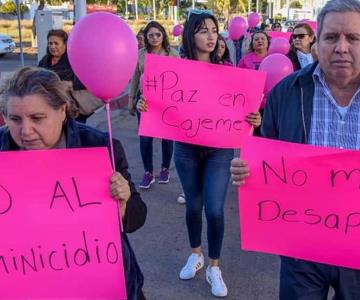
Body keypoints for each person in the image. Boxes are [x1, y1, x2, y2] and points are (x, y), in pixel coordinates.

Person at [230, 0, 360, 299]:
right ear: (317, 43)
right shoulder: (286, 93)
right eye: (331, 37)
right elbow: (266, 158)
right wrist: (246, 170)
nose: (341, 47)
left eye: (353, 37)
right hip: (302, 248)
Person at [137, 11, 261, 297]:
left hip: (219, 149)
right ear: (191, 35)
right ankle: (196, 254)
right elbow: (156, 102)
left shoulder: (229, 72)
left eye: (214, 30)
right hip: (186, 149)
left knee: (215, 209)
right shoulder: (174, 71)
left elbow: (245, 111)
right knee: (193, 206)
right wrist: (145, 104)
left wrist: (255, 119)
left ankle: (214, 266)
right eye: (203, 30)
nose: (211, 35)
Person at [0, 67, 147, 300]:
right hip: (27, 282)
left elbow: (137, 218)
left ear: (61, 110)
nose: (25, 131)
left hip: (97, 283)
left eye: (37, 118)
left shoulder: (99, 146)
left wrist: (123, 204)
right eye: (15, 119)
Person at [129, 21, 179, 189]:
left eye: (158, 34)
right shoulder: (140, 54)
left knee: (167, 138)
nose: (154, 38)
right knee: (145, 139)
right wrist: (131, 101)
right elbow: (135, 78)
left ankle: (165, 168)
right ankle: (148, 172)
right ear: (146, 38)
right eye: (151, 35)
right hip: (145, 103)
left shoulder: (173, 54)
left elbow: (181, 78)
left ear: (163, 35)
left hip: (167, 104)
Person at [38, 29, 102, 123]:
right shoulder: (45, 60)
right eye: (50, 43)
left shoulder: (75, 59)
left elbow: (91, 78)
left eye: (56, 43)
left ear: (65, 44)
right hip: (53, 107)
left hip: (74, 108)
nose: (52, 46)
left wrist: (71, 85)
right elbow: (37, 76)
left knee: (75, 132)